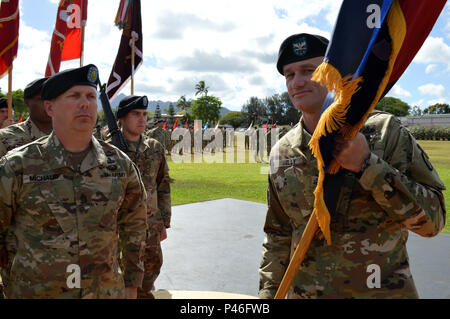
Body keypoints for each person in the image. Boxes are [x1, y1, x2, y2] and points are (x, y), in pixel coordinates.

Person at [258, 33, 446, 299]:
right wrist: (267, 297)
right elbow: (278, 235)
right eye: (289, 75)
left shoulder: (384, 132)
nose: (297, 82)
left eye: (309, 71)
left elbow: (434, 222)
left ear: (334, 74)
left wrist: (368, 166)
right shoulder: (282, 152)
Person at [0, 64, 147, 299]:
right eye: (74, 96)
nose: (85, 104)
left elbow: (135, 225)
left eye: (90, 96)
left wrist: (132, 283)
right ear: (50, 107)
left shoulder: (120, 165)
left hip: (104, 291)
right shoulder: (17, 166)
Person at [109, 95, 171, 299]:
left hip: (150, 222)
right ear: (122, 119)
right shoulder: (107, 150)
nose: (142, 119)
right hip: (117, 225)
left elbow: (163, 186)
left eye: (144, 114)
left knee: (152, 267)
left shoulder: (154, 148)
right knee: (118, 274)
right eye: (136, 114)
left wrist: (164, 221)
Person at [0, 77, 53, 296]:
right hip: (19, 246)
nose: (48, 105)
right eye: (42, 99)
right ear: (28, 102)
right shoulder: (6, 139)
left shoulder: (67, 136)